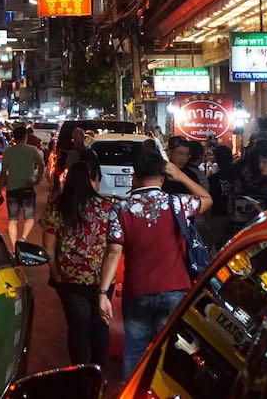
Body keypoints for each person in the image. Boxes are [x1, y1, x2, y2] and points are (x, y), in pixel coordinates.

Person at [99, 151, 212, 376]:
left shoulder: (120, 209)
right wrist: (180, 176)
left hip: (138, 290)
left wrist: (103, 293)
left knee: (135, 351)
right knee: (170, 350)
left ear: (134, 177)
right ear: (162, 177)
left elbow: (113, 252)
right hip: (175, 290)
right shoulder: (178, 203)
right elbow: (207, 199)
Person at [41, 160, 112, 366]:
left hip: (69, 278)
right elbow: (114, 247)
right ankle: (98, 372)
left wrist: (55, 272)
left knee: (78, 328)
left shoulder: (59, 205)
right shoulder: (106, 208)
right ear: (92, 181)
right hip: (102, 278)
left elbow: (48, 247)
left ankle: (79, 373)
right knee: (100, 325)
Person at [0, 124, 45, 243]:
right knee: (29, 218)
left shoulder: (8, 151)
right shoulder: (32, 150)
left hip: (12, 187)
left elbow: (3, 172)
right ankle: (23, 238)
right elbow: (41, 164)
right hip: (28, 187)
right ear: (26, 136)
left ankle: (14, 245)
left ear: (13, 137)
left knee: (12, 219)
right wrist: (37, 180)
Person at [205, 144, 237, 249]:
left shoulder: (212, 179)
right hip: (236, 218)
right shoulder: (238, 176)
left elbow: (209, 202)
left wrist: (209, 221)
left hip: (217, 217)